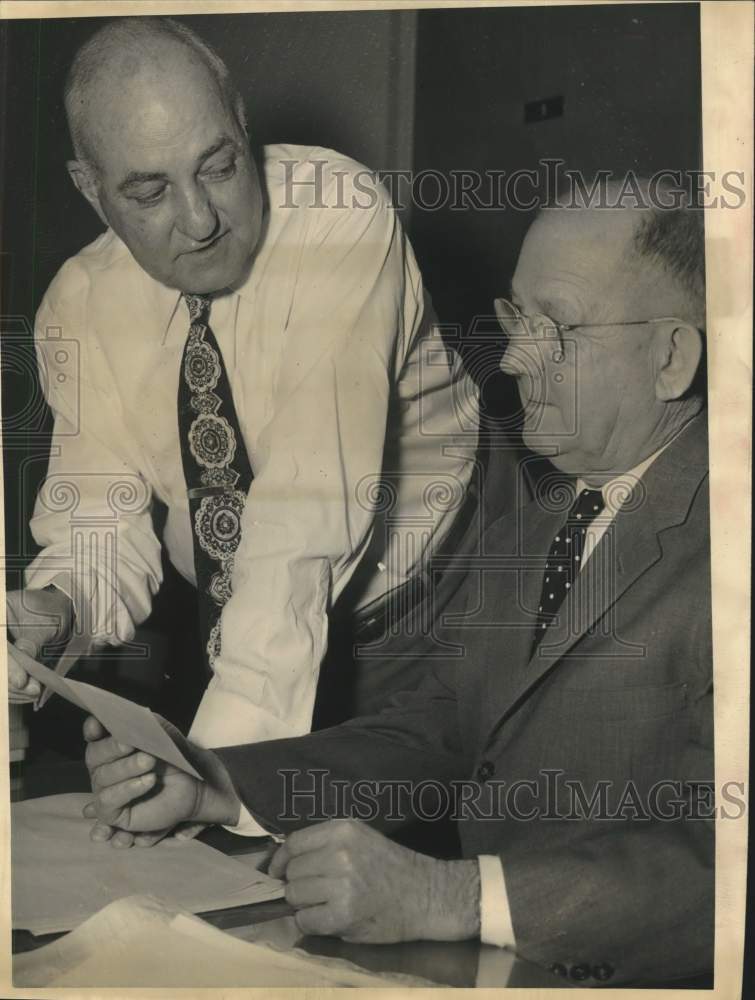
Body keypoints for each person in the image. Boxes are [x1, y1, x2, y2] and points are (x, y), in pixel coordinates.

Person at [84, 188, 714, 986]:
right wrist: (212, 783)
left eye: (555, 328)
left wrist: (456, 897)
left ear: (670, 358)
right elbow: (445, 729)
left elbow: (721, 864)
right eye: (514, 318)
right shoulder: (539, 513)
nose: (513, 357)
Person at [6, 17, 478, 747]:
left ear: (242, 127)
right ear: (92, 192)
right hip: (247, 627)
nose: (199, 221)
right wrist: (56, 603)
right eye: (149, 191)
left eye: (218, 167)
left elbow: (303, 521)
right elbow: (100, 514)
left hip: (437, 602)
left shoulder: (336, 213)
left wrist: (221, 776)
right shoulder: (79, 305)